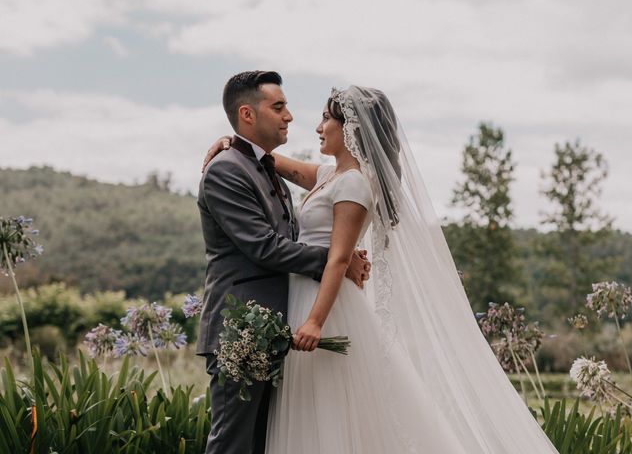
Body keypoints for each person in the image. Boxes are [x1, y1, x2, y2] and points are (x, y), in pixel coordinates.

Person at [203, 84, 559, 453]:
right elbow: (272, 162)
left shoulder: (355, 182)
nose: (317, 126)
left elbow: (339, 258)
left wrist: (314, 322)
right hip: (302, 297)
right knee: (309, 408)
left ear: (351, 129)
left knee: (328, 409)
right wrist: (231, 142)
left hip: (324, 306)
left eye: (327, 118)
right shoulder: (330, 175)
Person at [196, 71, 371, 454]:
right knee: (233, 444)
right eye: (278, 107)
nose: (290, 116)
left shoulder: (265, 166)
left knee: (263, 443)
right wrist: (334, 260)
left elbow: (290, 215)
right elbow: (265, 248)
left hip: (276, 328)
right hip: (239, 328)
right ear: (247, 114)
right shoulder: (227, 169)